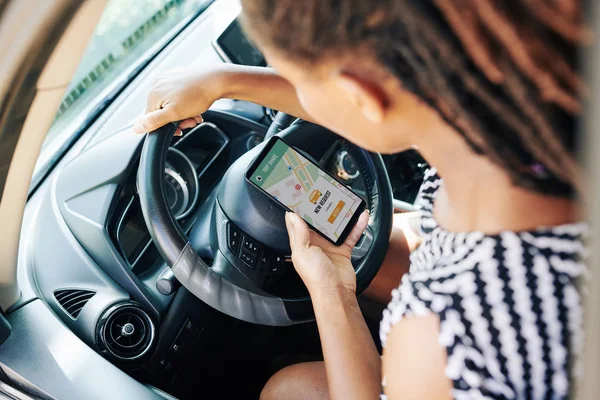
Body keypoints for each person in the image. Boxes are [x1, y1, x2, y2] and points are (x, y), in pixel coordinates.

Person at [134, 0, 590, 398]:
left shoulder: (448, 341)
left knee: (286, 389)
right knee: (389, 241)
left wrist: (332, 289)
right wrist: (221, 80)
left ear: (360, 96)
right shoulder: (525, 99)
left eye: (298, 78)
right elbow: (360, 102)